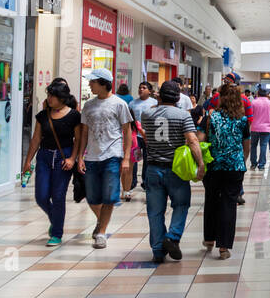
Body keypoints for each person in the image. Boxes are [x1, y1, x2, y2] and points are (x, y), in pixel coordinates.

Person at [141, 80, 204, 262]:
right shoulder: (183, 115)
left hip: (152, 168)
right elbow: (192, 140)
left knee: (155, 211)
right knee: (181, 204)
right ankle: (172, 237)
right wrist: (200, 164)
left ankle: (158, 250)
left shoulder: (147, 114)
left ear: (159, 95)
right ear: (178, 97)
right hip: (175, 169)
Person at [76, 68, 132, 249]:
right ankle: (101, 221)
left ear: (103, 83)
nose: (89, 85)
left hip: (112, 155)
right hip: (92, 156)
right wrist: (80, 156)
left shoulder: (119, 104)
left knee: (109, 196)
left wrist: (126, 158)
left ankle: (101, 233)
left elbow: (127, 131)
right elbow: (84, 132)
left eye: (92, 82)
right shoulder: (88, 105)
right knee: (92, 197)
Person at [21, 80, 81, 246]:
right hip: (44, 157)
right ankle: (55, 219)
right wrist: (27, 161)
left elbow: (78, 139)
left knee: (58, 196)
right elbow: (35, 139)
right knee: (41, 196)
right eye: (48, 95)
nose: (48, 98)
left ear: (61, 98)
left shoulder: (74, 115)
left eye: (51, 95)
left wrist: (73, 158)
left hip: (64, 158)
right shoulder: (43, 115)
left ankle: (56, 233)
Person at [200, 81, 251, 260]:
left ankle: (209, 239)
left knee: (211, 200)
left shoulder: (210, 117)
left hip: (213, 166)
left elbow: (200, 141)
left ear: (220, 98)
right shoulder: (242, 120)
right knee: (229, 204)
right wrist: (240, 162)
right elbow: (247, 146)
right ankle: (224, 248)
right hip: (234, 167)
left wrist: (201, 163)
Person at [248, 86, 270, 171]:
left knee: (253, 146)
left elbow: (250, 115)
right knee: (263, 146)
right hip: (266, 128)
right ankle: (261, 165)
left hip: (255, 128)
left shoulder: (253, 102)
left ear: (258, 93)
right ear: (267, 94)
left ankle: (253, 164)